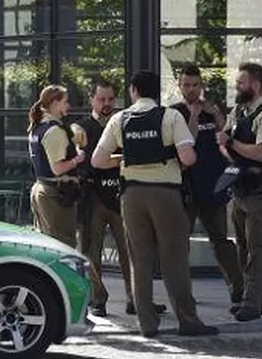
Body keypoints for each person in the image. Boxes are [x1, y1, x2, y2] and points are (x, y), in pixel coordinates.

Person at [92, 70, 218, 338]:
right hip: (166, 194)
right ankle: (188, 320)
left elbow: (97, 161)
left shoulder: (119, 118)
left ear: (133, 91)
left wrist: (127, 159)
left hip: (131, 195)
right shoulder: (170, 116)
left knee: (140, 260)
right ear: (155, 92)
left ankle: (147, 324)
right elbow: (189, 157)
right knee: (174, 259)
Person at [71, 80, 166, 318]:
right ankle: (97, 299)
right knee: (91, 251)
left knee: (132, 250)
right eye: (101, 99)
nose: (106, 104)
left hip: (121, 194)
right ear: (91, 99)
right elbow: (79, 163)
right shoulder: (80, 129)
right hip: (92, 196)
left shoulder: (125, 123)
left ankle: (136, 298)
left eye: (111, 99)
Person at [171, 65, 244, 310]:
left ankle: (238, 290)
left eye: (195, 85)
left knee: (221, 240)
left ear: (201, 85)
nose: (191, 90)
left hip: (212, 184)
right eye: (186, 85)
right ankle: (184, 295)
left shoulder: (214, 109)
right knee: (182, 243)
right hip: (186, 188)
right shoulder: (174, 113)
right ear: (179, 86)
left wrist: (217, 117)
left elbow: (227, 140)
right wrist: (192, 116)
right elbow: (186, 144)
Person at [217, 62, 262, 322]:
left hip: (258, 190)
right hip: (239, 189)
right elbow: (223, 144)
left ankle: (251, 304)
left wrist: (231, 143)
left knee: (258, 248)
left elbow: (261, 152)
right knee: (242, 248)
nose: (237, 86)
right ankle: (261, 301)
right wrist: (228, 145)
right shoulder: (238, 112)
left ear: (255, 85)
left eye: (241, 83)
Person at [27, 85, 85, 249]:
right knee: (62, 246)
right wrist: (77, 159)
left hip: (43, 189)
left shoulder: (36, 127)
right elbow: (58, 168)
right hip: (56, 194)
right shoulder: (54, 131)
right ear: (54, 103)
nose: (68, 106)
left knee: (46, 244)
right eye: (65, 102)